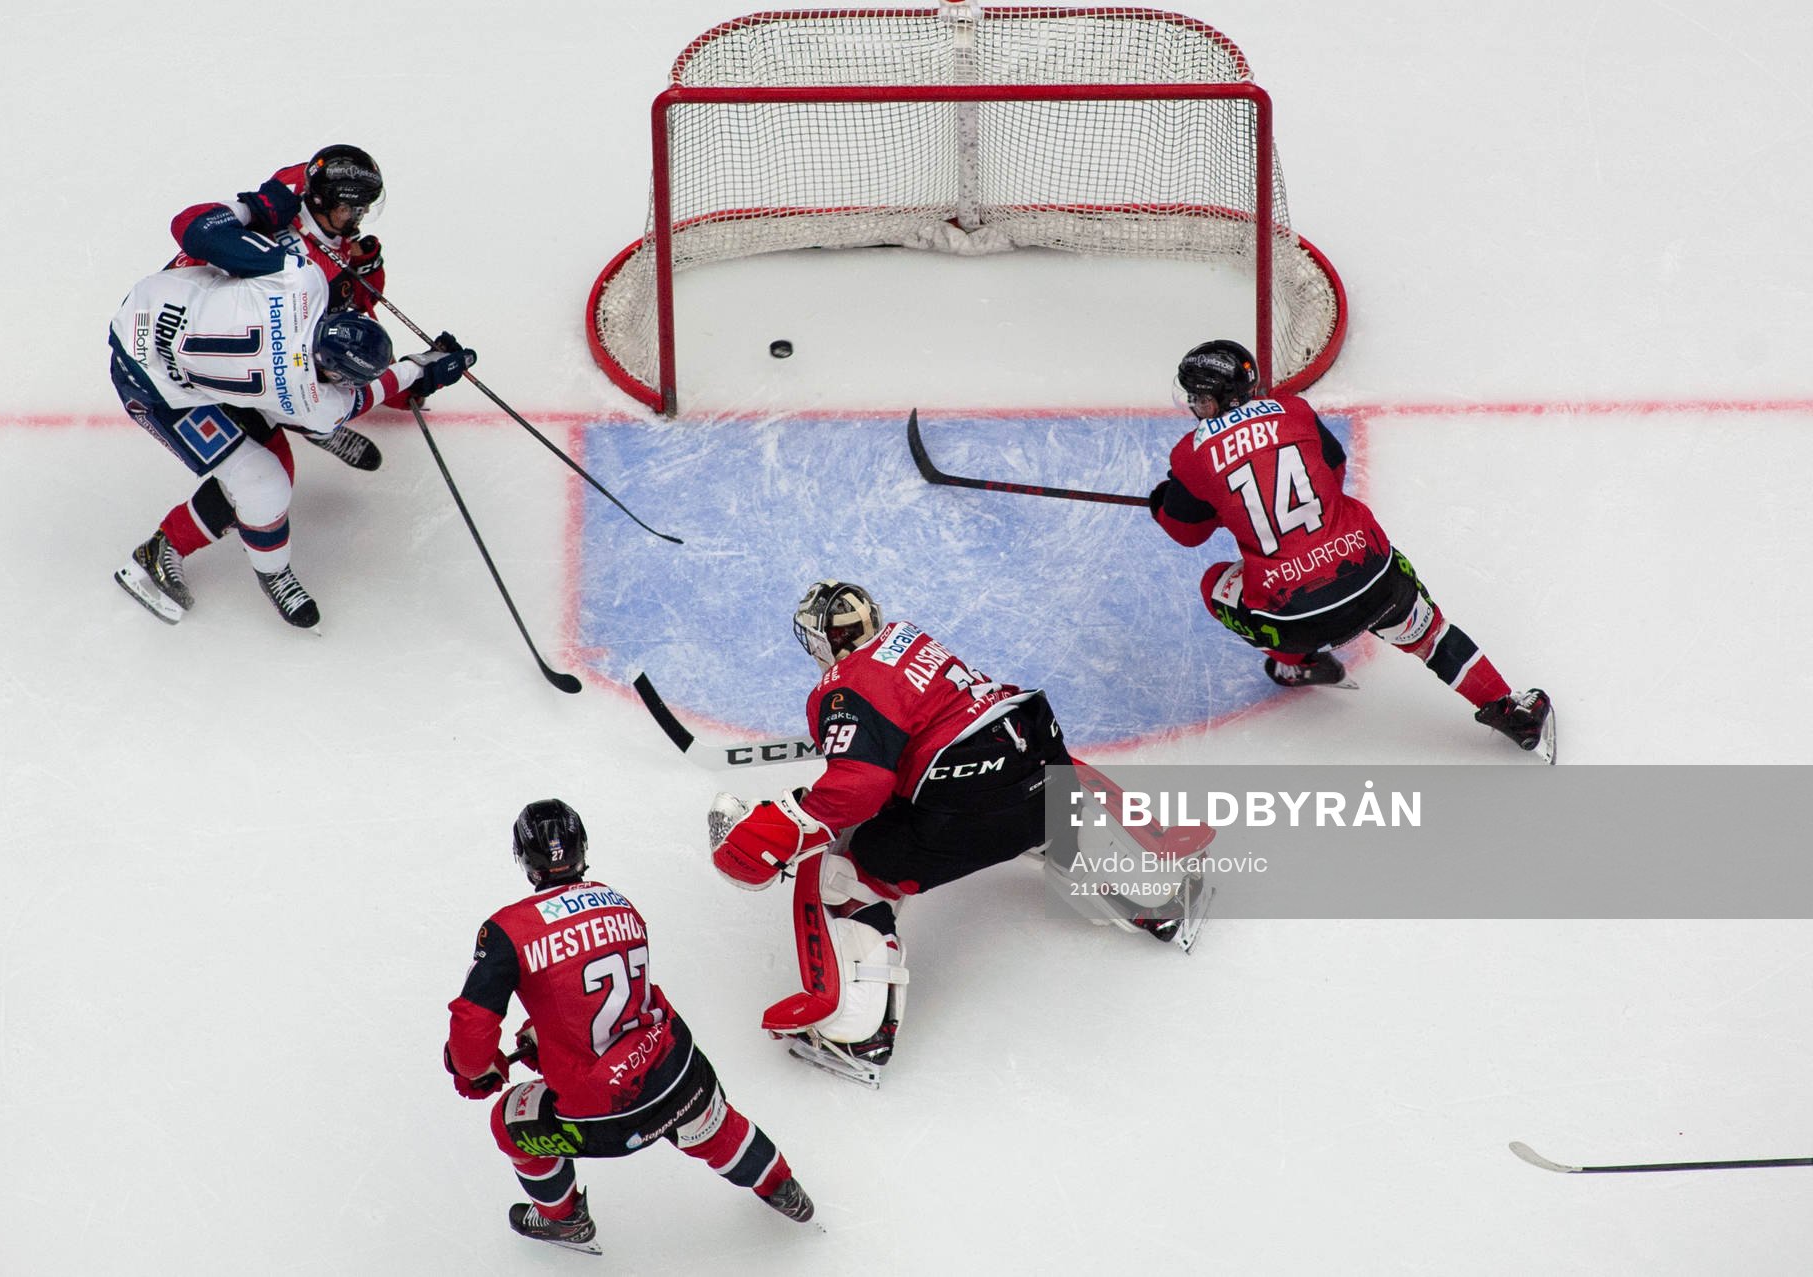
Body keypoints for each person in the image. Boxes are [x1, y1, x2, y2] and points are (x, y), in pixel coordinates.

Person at [708, 581, 1106, 1088]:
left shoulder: (842, 686)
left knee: (845, 873)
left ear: (825, 642)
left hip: (975, 810)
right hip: (1041, 767)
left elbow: (860, 786)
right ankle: (1157, 888)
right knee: (1020, 787)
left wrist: (782, 825)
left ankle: (858, 1033)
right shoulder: (908, 637)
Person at [1149, 339, 1556, 760]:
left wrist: (1165, 501)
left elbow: (1186, 532)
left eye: (1196, 397)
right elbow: (1334, 469)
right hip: (1372, 578)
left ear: (1216, 401)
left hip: (1295, 618)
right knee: (1431, 635)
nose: (1194, 405)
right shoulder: (1294, 410)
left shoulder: (1191, 455)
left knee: (1213, 583)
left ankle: (1302, 661)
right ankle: (1509, 710)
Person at [444, 800, 815, 1254]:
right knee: (713, 1125)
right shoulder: (620, 903)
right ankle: (780, 1185)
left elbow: (472, 1029)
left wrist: (472, 1069)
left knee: (509, 1122)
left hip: (608, 1113)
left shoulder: (506, 931)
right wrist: (546, 1038)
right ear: (581, 847)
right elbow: (604, 997)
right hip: (676, 1070)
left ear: (524, 858)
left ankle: (566, 1221)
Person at [107, 250, 475, 627]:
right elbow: (354, 399)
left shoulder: (302, 282)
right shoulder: (310, 399)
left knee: (284, 426)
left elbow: (203, 236)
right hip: (153, 386)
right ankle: (169, 554)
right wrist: (419, 371)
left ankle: (309, 433)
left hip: (154, 315)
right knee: (261, 483)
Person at [166, 145, 391, 472]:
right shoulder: (312, 271)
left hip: (195, 291)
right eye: (351, 209)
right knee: (309, 364)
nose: (359, 218)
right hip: (203, 326)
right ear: (323, 202)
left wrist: (365, 265)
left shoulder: (300, 181)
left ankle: (311, 422)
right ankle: (310, 425)